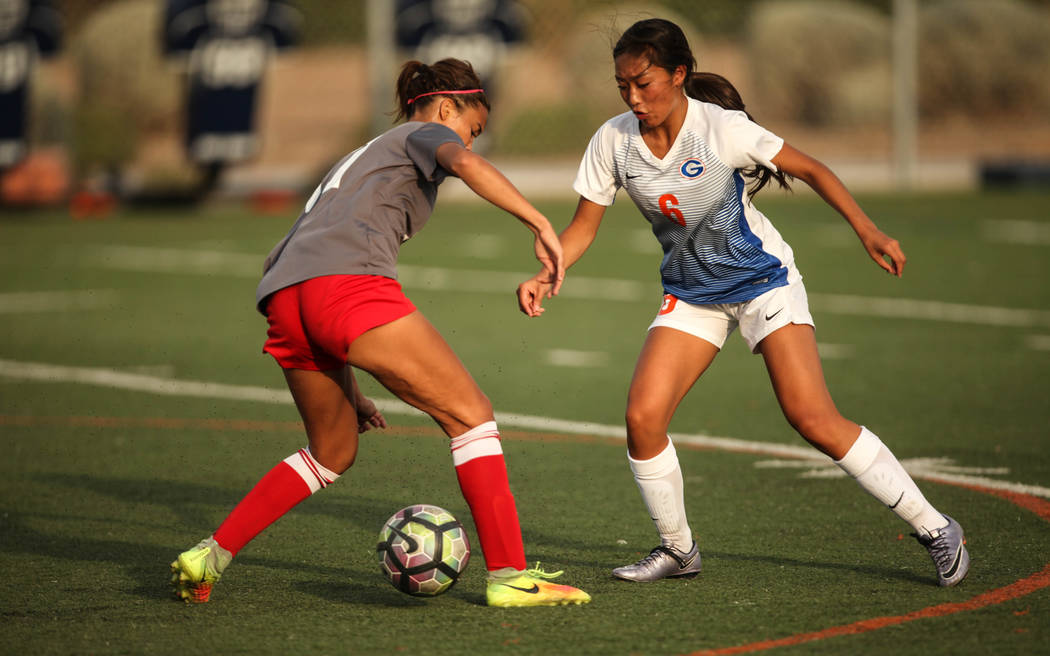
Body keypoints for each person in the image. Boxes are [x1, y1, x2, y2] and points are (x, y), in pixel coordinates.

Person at [517, 19, 969, 587]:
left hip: (763, 284)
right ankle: (679, 550)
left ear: (679, 75)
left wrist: (868, 231)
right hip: (692, 294)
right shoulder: (612, 140)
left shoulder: (722, 130)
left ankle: (935, 527)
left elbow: (812, 168)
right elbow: (583, 228)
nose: (633, 97)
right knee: (642, 418)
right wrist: (548, 269)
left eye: (645, 83)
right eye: (622, 86)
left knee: (812, 418)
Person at [170, 58, 590, 607]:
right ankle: (510, 575)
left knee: (332, 450)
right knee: (472, 416)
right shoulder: (425, 132)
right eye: (473, 126)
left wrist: (353, 390)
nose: (470, 140)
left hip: (285, 297)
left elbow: (313, 258)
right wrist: (538, 222)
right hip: (344, 288)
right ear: (446, 107)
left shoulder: (360, 156)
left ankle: (211, 555)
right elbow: (459, 160)